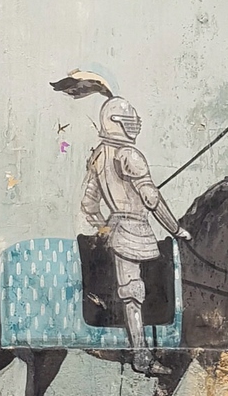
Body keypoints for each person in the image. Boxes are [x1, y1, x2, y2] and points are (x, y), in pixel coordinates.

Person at [81, 96, 191, 375]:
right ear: (115, 122)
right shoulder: (129, 155)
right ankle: (141, 356)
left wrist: (104, 227)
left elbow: (88, 204)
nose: (134, 124)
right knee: (134, 293)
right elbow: (152, 199)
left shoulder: (98, 156)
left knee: (133, 291)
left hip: (115, 229)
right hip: (135, 229)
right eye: (128, 120)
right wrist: (175, 228)